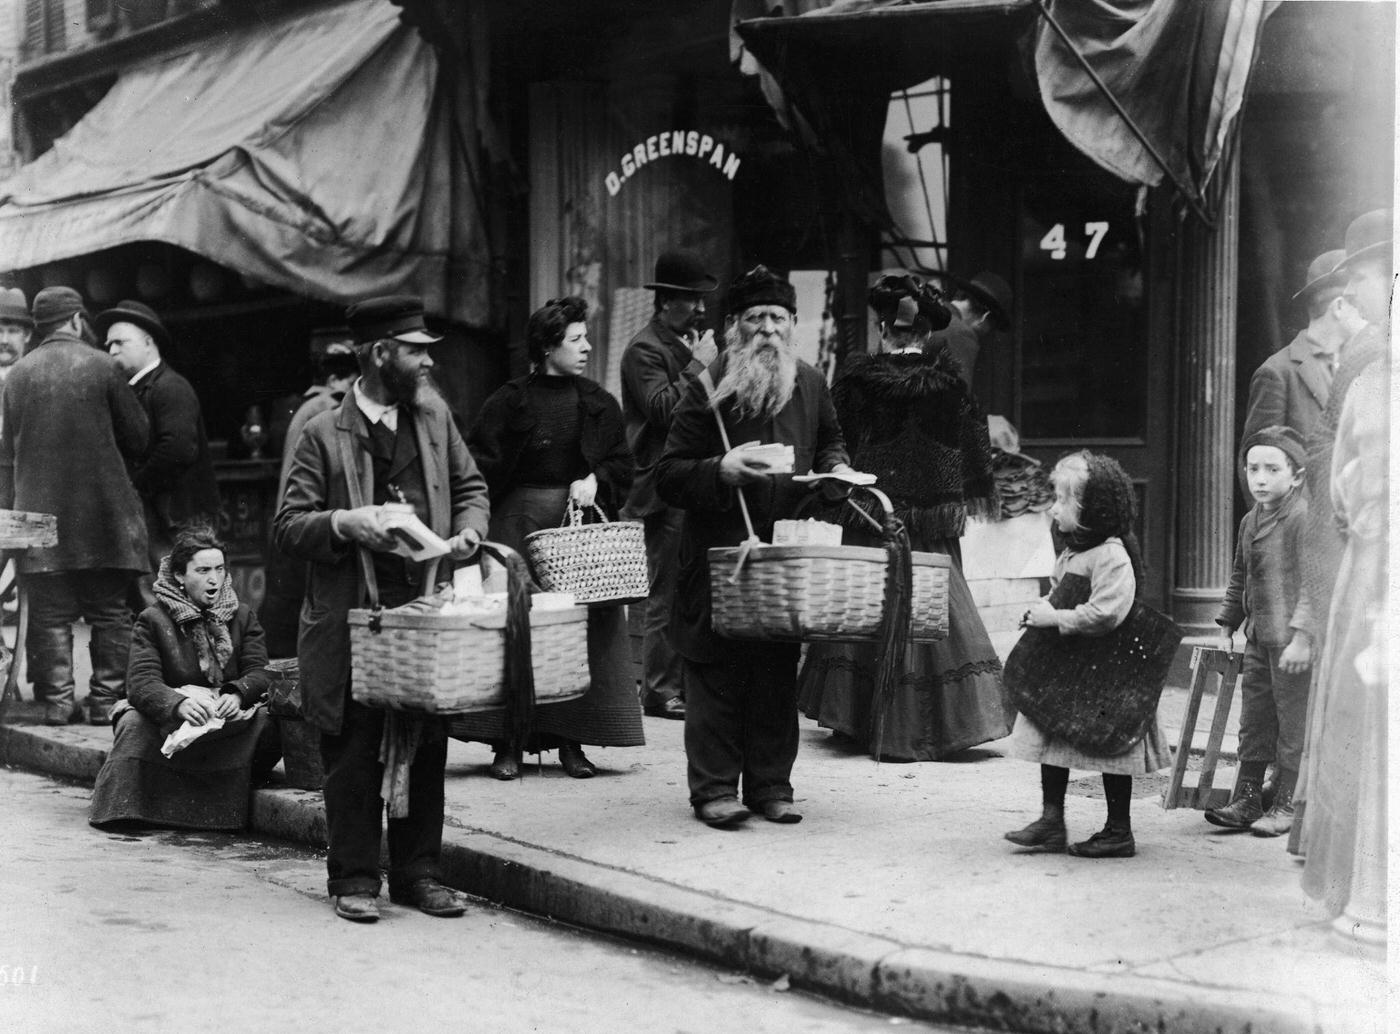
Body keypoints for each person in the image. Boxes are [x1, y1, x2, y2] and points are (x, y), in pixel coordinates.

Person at [274, 295, 490, 923]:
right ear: (378, 354)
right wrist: (347, 522)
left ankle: (420, 875)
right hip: (350, 618)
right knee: (353, 751)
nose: (427, 363)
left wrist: (470, 532)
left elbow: (472, 487)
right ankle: (354, 879)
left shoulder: (433, 417)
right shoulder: (319, 431)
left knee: (426, 747)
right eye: (415, 350)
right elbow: (289, 527)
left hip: (423, 608)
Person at [655, 264, 853, 829]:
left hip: (785, 554)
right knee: (715, 674)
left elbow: (831, 439)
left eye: (777, 318)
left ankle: (771, 785)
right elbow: (668, 473)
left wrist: (836, 469)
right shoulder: (705, 385)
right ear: (735, 325)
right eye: (755, 318)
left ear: (792, 324)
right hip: (720, 555)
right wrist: (721, 468)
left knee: (773, 671)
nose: (767, 328)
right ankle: (715, 788)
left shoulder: (811, 382)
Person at [798, 275, 1011, 760]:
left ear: (881, 328)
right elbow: (975, 456)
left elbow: (831, 445)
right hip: (930, 528)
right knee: (935, 611)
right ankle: (939, 724)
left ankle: (855, 718)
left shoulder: (854, 381)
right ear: (925, 335)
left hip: (872, 519)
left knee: (862, 608)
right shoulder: (952, 386)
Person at [450, 296, 643, 779]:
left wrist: (597, 477)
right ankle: (507, 744)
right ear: (547, 346)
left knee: (578, 633)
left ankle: (571, 742)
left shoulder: (599, 403)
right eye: (576, 340)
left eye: (585, 338)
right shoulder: (508, 401)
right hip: (516, 528)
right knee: (514, 629)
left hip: (576, 537)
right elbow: (476, 466)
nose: (586, 347)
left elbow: (624, 463)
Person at [1295, 209, 1389, 937]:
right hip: (1369, 563)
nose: (1360, 291)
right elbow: (1339, 479)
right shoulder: (1371, 372)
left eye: (1370, 274)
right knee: (1361, 717)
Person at [1002, 451, 1170, 859]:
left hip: (1106, 669)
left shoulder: (1111, 555)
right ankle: (1051, 818)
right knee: (1050, 731)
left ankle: (1118, 830)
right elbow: (1062, 594)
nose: (1054, 510)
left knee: (1113, 748)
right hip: (1073, 664)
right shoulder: (1074, 551)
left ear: (1093, 510)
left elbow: (1108, 612)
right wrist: (1044, 609)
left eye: (1063, 501)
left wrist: (1055, 617)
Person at [0, 286, 150, 725]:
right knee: (109, 612)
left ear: (38, 327)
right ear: (78, 320)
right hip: (105, 517)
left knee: (49, 614)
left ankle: (59, 702)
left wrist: (11, 517)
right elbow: (138, 439)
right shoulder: (104, 367)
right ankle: (105, 702)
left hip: (39, 519)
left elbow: (6, 458)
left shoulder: (17, 376)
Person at [89, 525, 279, 830]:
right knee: (132, 722)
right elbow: (141, 683)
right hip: (176, 723)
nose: (214, 579)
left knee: (272, 723)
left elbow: (260, 671)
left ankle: (217, 796)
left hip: (227, 724)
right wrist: (178, 704)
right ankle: (145, 805)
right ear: (179, 576)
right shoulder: (153, 620)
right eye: (202, 570)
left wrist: (237, 693)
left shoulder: (242, 617)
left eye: (219, 569)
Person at [619, 251, 721, 721]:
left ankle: (674, 683)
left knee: (688, 588)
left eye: (702, 300)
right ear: (667, 302)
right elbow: (662, 409)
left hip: (689, 481)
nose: (701, 309)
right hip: (661, 489)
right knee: (666, 594)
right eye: (693, 300)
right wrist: (698, 366)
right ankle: (658, 690)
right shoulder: (644, 349)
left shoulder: (683, 341)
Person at [1207, 426, 1312, 836]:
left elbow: (1312, 585)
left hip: (1291, 645)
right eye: (1253, 469)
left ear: (1297, 476)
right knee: (1254, 719)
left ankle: (1287, 803)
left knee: (1292, 722)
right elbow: (1239, 576)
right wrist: (1227, 625)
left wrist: (1302, 637)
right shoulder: (1251, 519)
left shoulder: (1302, 519)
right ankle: (1248, 795)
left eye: (1272, 469)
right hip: (1257, 639)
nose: (1261, 479)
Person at [99, 300, 221, 608]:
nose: (111, 350)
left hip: (177, 519)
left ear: (149, 342)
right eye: (108, 344)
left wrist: (134, 487)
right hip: (163, 517)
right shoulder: (140, 388)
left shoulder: (170, 387)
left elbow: (177, 450)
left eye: (119, 342)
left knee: (182, 603)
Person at [261, 336, 360, 657]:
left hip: (287, 524)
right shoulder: (327, 407)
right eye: (349, 381)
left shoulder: (305, 406)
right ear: (333, 380)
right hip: (304, 525)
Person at [1238, 250, 1364, 497]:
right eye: (1358, 305)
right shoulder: (1278, 373)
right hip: (1302, 531)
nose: (1366, 317)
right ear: (1339, 307)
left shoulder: (1359, 367)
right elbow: (1254, 469)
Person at [927, 270, 1012, 392]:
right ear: (985, 317)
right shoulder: (961, 333)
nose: (986, 333)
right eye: (991, 327)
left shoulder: (928, 312)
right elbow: (959, 400)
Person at [0, 287, 32, 385]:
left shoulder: (37, 378)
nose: (4, 341)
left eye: (13, 331)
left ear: (27, 335)